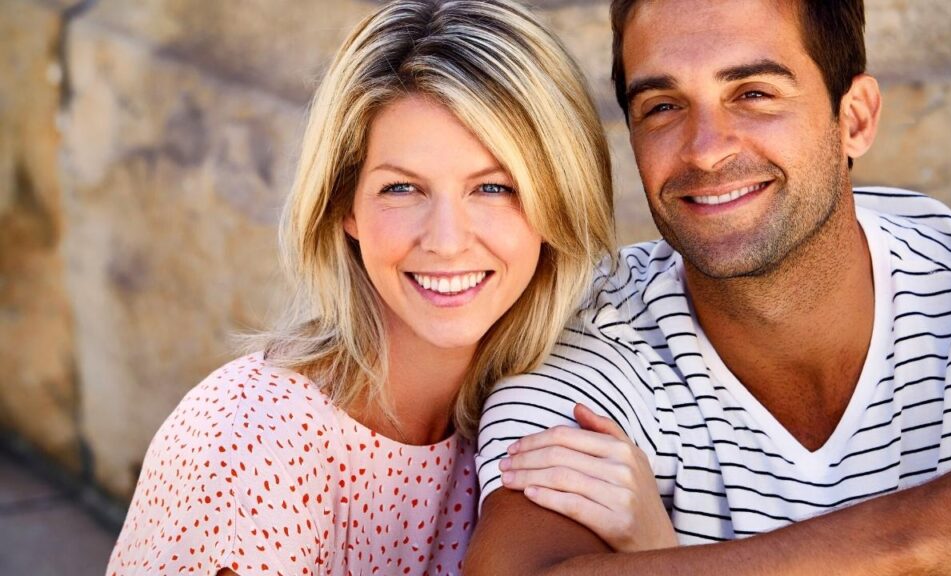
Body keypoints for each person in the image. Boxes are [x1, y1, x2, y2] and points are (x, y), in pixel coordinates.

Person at [467, 0, 951, 574]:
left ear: (854, 118)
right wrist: (931, 536)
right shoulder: (592, 340)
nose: (706, 149)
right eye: (662, 106)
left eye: (754, 94)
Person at [104, 0, 616, 573]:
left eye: (493, 188)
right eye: (402, 188)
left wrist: (648, 537)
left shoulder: (535, 416)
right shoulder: (249, 442)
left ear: (559, 205)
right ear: (345, 206)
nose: (447, 241)